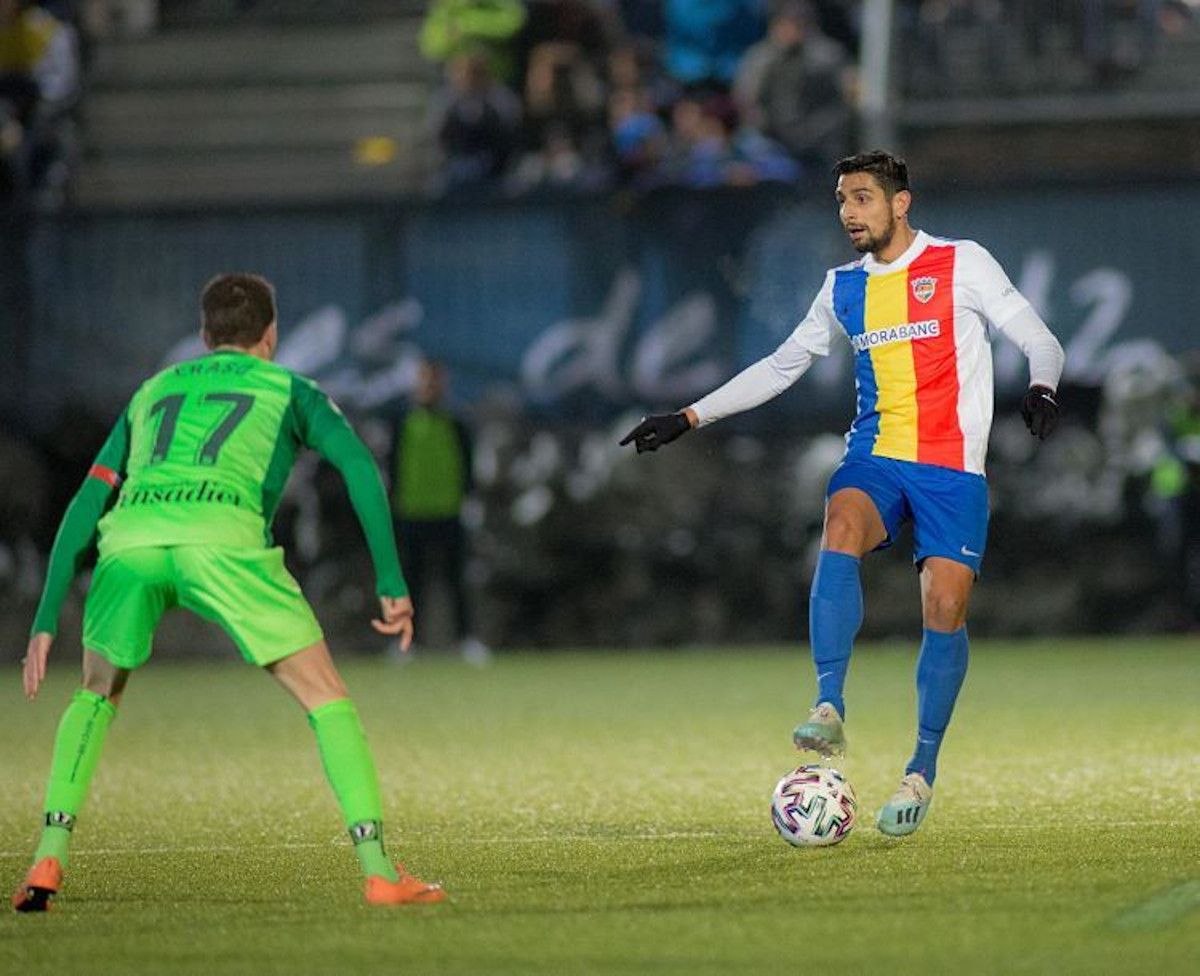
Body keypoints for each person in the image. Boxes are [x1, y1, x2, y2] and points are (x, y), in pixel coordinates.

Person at [620, 150, 1064, 837]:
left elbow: (1038, 336)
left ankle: (920, 770)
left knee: (945, 606)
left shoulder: (962, 262)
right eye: (841, 201)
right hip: (877, 455)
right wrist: (687, 417)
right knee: (842, 520)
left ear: (900, 202)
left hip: (952, 468)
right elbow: (780, 366)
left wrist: (1042, 384)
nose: (849, 213)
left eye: (861, 198)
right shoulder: (841, 288)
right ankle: (828, 706)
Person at [12, 273, 446, 911]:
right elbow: (357, 465)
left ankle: (47, 856)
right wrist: (390, 579)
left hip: (131, 540)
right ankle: (380, 870)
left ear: (203, 336)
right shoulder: (291, 389)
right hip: (224, 540)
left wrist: (46, 615)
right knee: (327, 699)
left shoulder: (152, 390)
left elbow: (88, 497)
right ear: (270, 337)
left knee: (96, 694)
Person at [389, 360, 489, 664]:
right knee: (411, 582)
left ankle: (466, 640)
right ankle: (408, 641)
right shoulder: (402, 421)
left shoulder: (456, 421)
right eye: (424, 381)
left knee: (456, 580)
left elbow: (468, 464)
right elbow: (393, 465)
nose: (429, 387)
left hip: (449, 511)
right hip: (412, 512)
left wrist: (470, 501)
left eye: (434, 381)